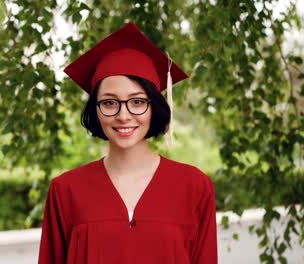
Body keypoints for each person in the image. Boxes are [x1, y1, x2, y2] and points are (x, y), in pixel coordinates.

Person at [38, 22, 217, 264]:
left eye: (137, 102)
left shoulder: (195, 187)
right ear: (96, 110)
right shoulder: (66, 191)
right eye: (110, 103)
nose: (123, 116)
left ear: (154, 106)